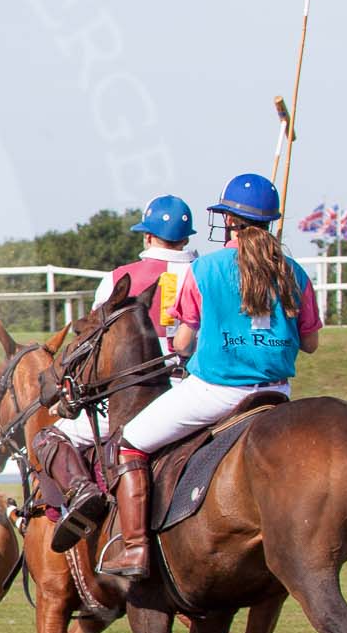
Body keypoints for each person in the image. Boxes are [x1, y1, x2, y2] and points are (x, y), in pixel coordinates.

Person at [101, 172, 323, 579]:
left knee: (129, 443)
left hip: (216, 391)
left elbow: (183, 343)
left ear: (229, 221)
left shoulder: (204, 269)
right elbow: (310, 343)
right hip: (277, 394)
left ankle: (134, 549)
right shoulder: (295, 272)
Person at [31, 194, 197, 551]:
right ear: (186, 237)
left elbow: (96, 346)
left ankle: (74, 503)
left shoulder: (118, 278)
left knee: (53, 436)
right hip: (194, 393)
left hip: (137, 400)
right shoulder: (206, 272)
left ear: (148, 236)